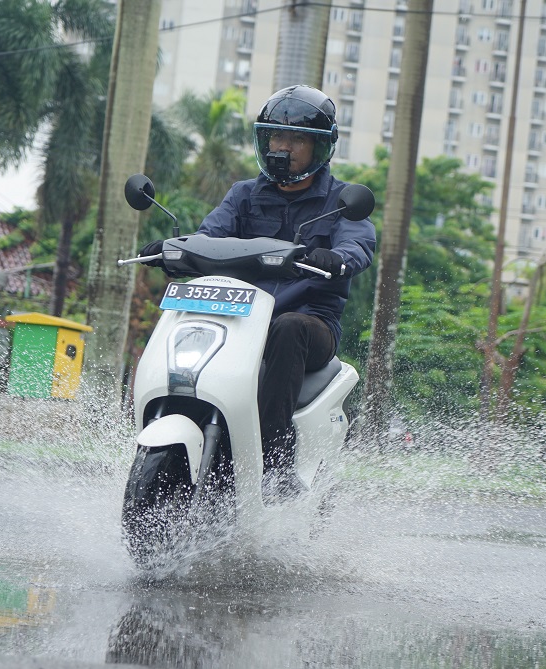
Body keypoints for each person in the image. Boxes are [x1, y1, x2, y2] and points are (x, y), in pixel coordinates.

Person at [139, 85, 376, 499]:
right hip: (239, 321)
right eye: (276, 136)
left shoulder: (340, 201)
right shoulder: (244, 194)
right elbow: (209, 236)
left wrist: (338, 258)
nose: (283, 147)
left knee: (289, 327)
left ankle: (277, 463)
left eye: (297, 139)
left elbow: (358, 244)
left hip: (309, 324)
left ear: (320, 147)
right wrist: (172, 248)